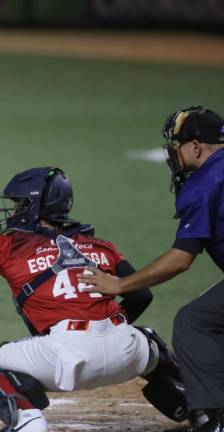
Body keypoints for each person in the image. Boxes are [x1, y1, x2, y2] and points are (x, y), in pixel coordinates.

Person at [0, 165, 192, 431]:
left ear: (35, 206)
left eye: (19, 204)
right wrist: (104, 332)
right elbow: (141, 295)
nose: (13, 211)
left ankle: (26, 421)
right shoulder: (100, 245)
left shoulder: (10, 246)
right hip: (128, 351)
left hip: (68, 355)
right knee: (149, 340)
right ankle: (200, 410)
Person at [79, 106, 224, 432]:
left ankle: (214, 418)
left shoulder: (206, 182)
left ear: (196, 147)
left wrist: (120, 285)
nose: (174, 154)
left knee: (195, 323)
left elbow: (181, 259)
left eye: (177, 145)